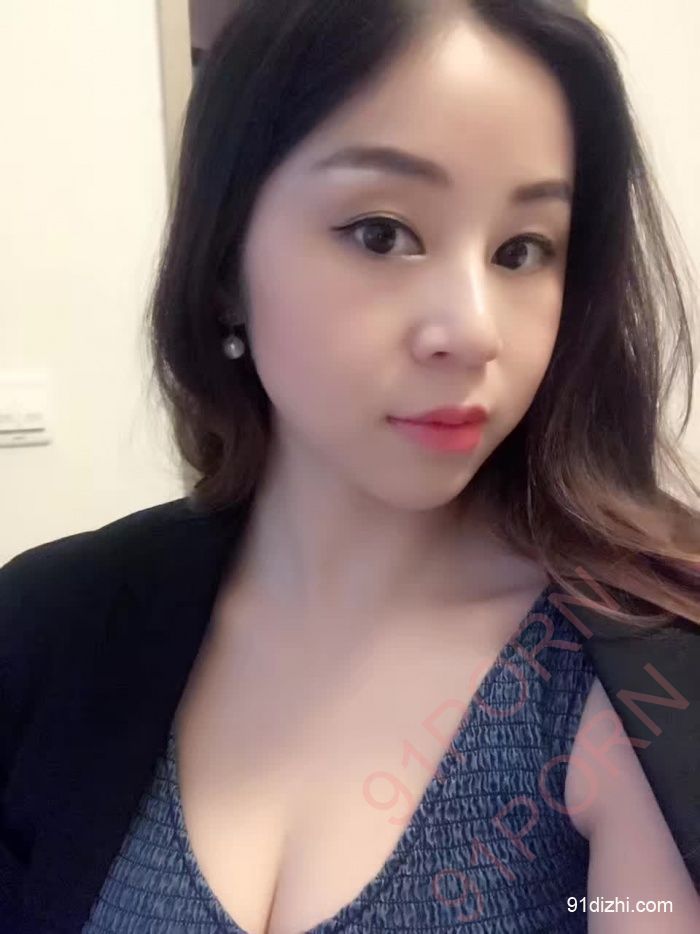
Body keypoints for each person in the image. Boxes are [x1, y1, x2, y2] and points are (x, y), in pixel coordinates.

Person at [1, 0, 699, 931]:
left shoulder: (644, 678)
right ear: (225, 261)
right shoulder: (50, 627)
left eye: (522, 251)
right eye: (382, 233)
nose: (474, 331)